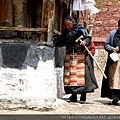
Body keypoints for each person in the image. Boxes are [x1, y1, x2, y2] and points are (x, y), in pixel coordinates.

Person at [54, 17, 98, 103]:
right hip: (69, 56)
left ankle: (83, 95)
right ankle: (73, 95)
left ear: (73, 23)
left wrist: (85, 42)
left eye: (68, 25)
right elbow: (61, 41)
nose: (67, 27)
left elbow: (88, 38)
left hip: (80, 55)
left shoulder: (81, 29)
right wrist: (55, 43)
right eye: (66, 26)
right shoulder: (66, 32)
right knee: (70, 77)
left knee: (81, 76)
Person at [101, 19, 120, 105]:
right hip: (114, 59)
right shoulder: (113, 34)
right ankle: (115, 98)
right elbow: (106, 44)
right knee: (114, 79)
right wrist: (112, 49)